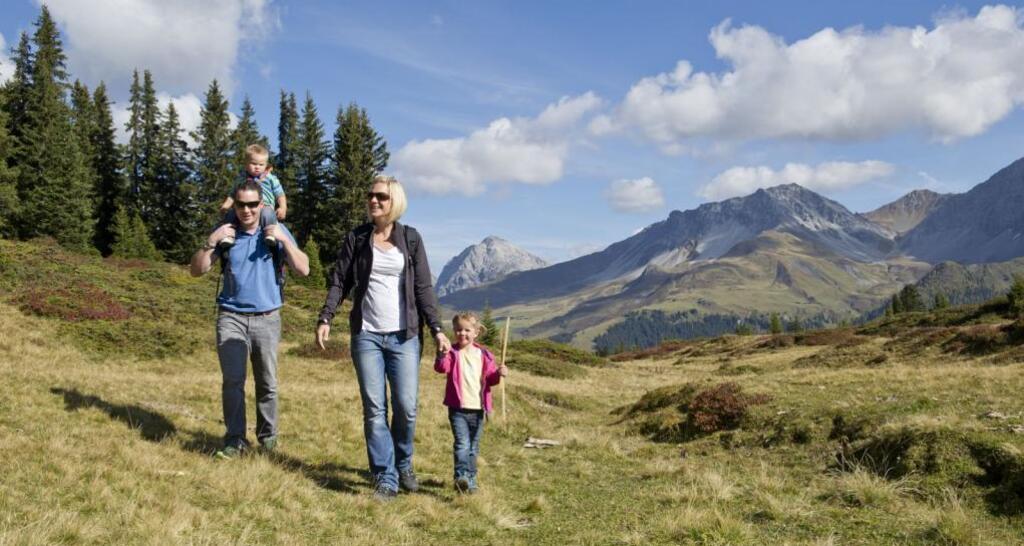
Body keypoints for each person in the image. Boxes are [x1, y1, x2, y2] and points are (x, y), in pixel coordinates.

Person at [316, 175, 450, 500]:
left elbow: (423, 288)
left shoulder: (411, 239)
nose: (373, 200)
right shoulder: (358, 238)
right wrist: (326, 316)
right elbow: (340, 281)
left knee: (406, 407)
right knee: (375, 409)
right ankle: (385, 478)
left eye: (381, 196)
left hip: (405, 337)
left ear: (395, 202)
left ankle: (403, 464)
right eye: (371, 195)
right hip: (367, 336)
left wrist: (437, 329)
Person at [191, 180, 309, 458]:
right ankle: (235, 441)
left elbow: (303, 269)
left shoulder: (274, 230)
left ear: (261, 204)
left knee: (267, 382)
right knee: (233, 382)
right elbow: (196, 270)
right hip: (230, 317)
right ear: (235, 205)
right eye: (241, 204)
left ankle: (268, 438)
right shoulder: (226, 233)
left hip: (267, 318)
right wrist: (210, 241)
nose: (247, 210)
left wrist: (283, 240)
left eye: (252, 204)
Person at [434, 312, 507, 493]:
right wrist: (441, 354)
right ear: (454, 331)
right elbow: (441, 368)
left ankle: (471, 479)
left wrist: (499, 373)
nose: (462, 334)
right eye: (458, 330)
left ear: (476, 332)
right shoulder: (452, 352)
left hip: (478, 409)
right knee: (462, 444)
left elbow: (491, 380)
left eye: (467, 330)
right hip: (457, 408)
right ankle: (461, 476)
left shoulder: (485, 355)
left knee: (473, 447)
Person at [217, 144, 287, 249]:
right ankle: (229, 235)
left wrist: (283, 207)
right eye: (254, 164)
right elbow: (232, 194)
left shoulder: (270, 178)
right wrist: (226, 206)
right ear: (246, 164)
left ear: (266, 165)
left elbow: (280, 194)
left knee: (268, 213)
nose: (257, 167)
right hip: (245, 207)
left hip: (265, 206)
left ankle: (270, 234)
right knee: (231, 214)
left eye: (261, 164)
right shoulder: (241, 179)